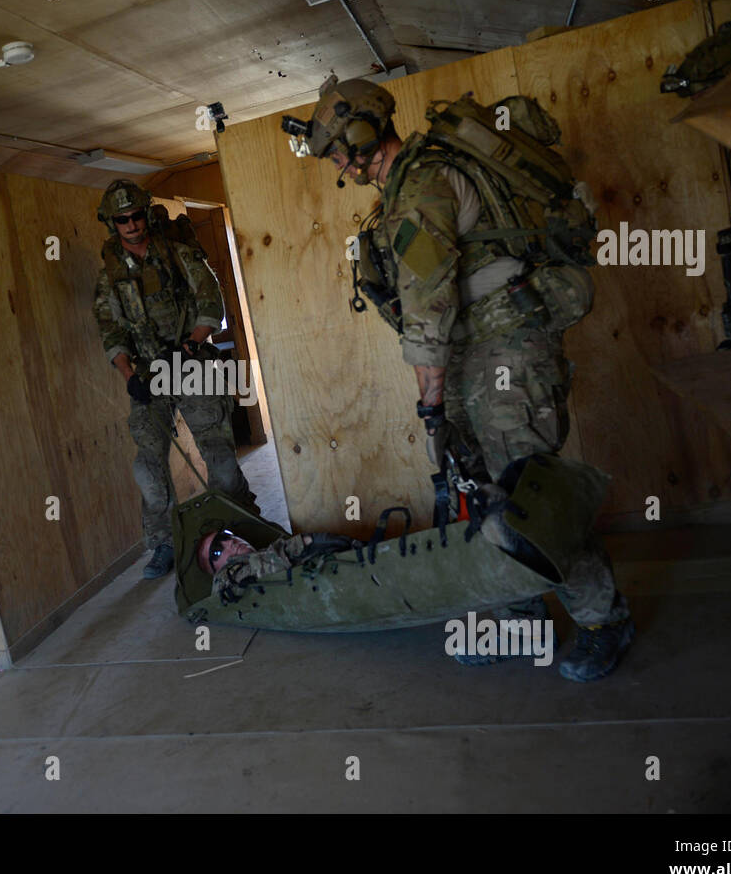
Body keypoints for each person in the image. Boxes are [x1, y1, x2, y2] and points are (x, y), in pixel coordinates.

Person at [280, 77, 633, 681]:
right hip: (479, 350)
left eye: (338, 149)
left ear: (364, 135)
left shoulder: (421, 185)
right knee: (491, 496)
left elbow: (427, 303)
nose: (338, 163)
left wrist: (430, 404)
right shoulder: (403, 187)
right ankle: (524, 621)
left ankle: (604, 620)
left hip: (505, 349)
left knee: (530, 497)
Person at [91, 179, 258, 579]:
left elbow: (210, 305)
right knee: (147, 469)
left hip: (191, 364)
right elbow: (110, 332)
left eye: (135, 216)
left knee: (217, 454)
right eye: (121, 219)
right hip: (149, 378)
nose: (130, 224)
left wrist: (186, 347)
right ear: (112, 223)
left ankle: (243, 524)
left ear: (145, 215)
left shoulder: (178, 254)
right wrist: (130, 376)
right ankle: (165, 543)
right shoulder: (110, 276)